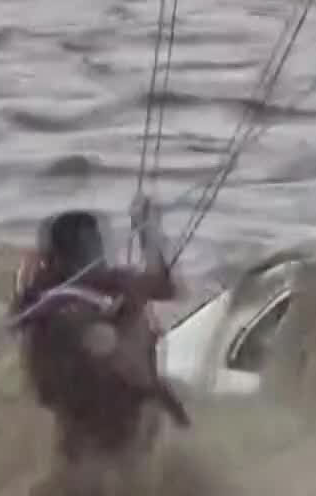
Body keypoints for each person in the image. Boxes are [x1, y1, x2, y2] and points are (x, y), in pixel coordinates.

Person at [10, 197, 191, 490]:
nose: (94, 253)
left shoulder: (109, 282)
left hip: (127, 415)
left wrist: (150, 236)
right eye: (85, 248)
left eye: (95, 244)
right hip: (88, 417)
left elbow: (164, 286)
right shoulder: (53, 303)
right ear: (63, 257)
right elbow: (95, 346)